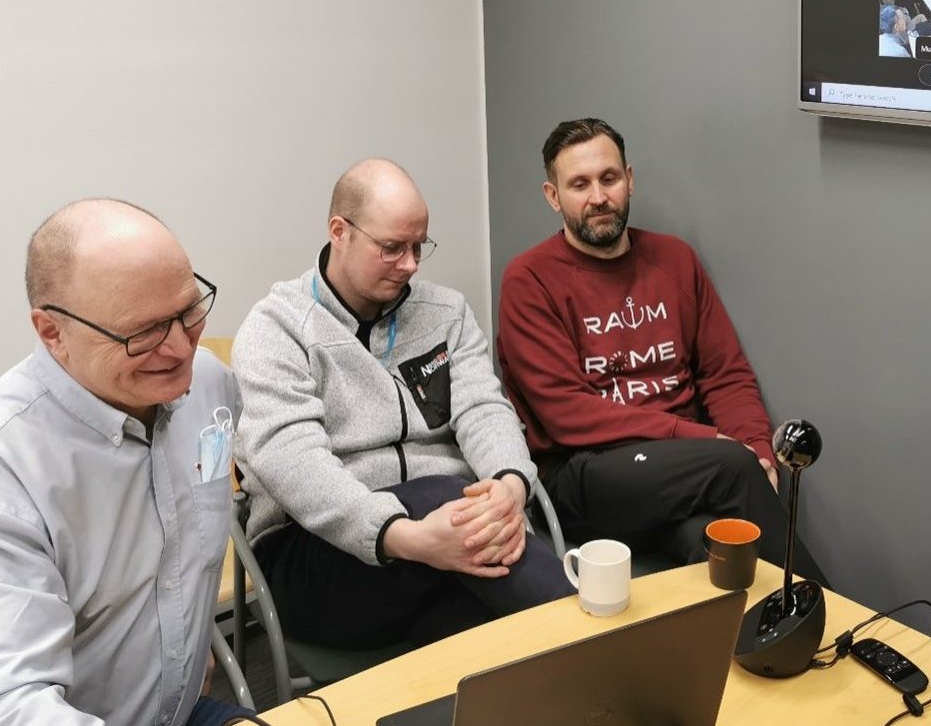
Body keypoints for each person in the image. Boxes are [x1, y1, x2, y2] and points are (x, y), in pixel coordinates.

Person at [0, 199, 249, 725]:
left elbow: (179, 542)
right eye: (144, 332)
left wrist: (187, 638)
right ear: (52, 332)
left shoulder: (208, 384)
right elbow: (8, 711)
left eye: (189, 311)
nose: (181, 347)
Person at [232, 159, 572, 652]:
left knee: (482, 641)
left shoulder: (446, 311)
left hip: (442, 548)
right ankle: (594, 642)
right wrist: (406, 537)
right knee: (446, 497)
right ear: (340, 231)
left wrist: (509, 484)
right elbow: (293, 463)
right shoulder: (277, 329)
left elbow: (483, 407)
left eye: (419, 247)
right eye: (392, 248)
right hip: (317, 554)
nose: (411, 264)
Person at [496, 119, 828, 585]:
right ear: (553, 196)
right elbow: (564, 413)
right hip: (583, 473)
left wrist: (758, 450)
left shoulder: (674, 259)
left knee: (717, 543)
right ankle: (836, 623)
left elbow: (724, 374)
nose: (598, 197)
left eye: (609, 179)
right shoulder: (529, 279)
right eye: (579, 185)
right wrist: (706, 443)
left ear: (630, 180)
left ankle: (758, 649)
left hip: (679, 472)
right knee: (731, 468)